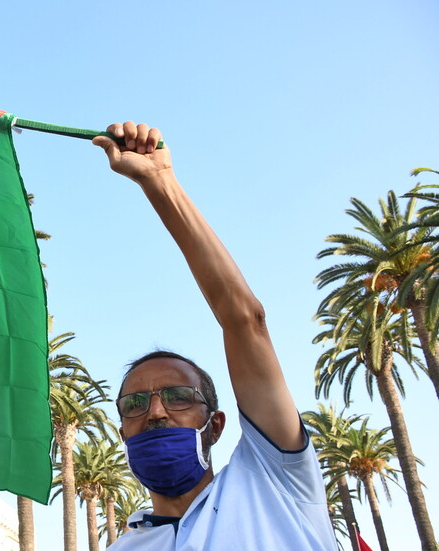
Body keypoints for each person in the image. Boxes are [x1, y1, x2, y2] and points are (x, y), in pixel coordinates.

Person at [92, 123, 335, 550]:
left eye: (178, 396)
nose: (156, 413)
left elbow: (245, 320)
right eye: (134, 403)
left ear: (216, 424)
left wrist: (159, 183)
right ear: (122, 433)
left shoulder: (274, 481)